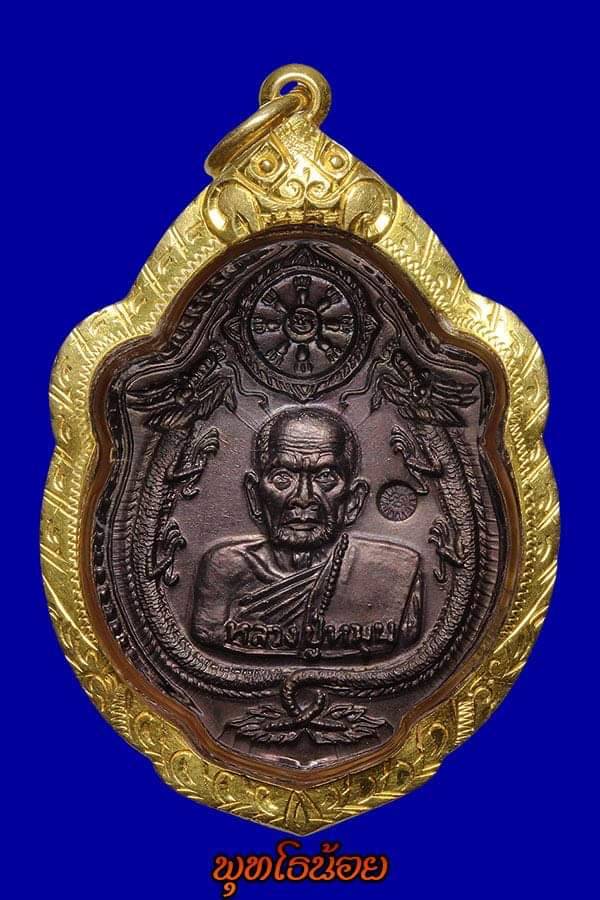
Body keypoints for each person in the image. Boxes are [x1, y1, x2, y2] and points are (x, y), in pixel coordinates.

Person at [191, 407, 422, 660]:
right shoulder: (225, 570)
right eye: (282, 478)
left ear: (354, 500)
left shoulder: (395, 573)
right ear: (255, 496)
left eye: (325, 477)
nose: (303, 498)